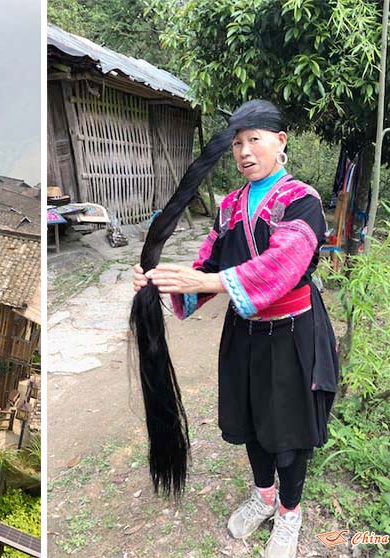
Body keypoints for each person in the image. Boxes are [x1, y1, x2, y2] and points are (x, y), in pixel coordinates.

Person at [132, 100, 339, 558]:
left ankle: (289, 511)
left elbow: (282, 264)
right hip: (242, 333)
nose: (245, 151)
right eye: (237, 143)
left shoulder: (301, 201)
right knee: (249, 421)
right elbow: (205, 263)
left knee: (288, 432)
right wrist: (161, 279)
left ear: (280, 142)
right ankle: (264, 495)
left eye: (255, 140)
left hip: (292, 334)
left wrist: (209, 281)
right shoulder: (229, 207)